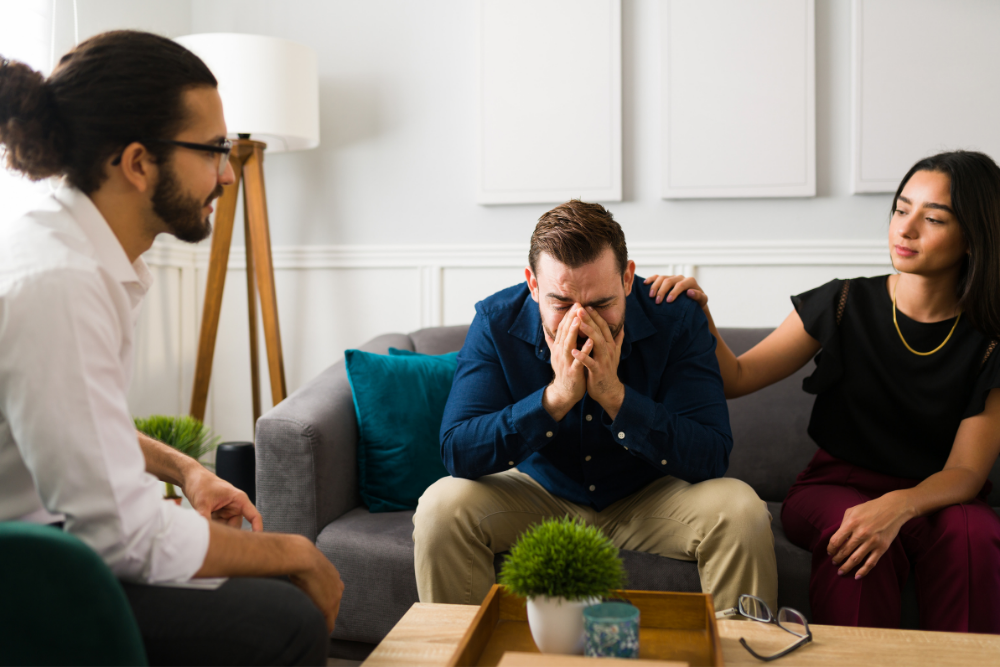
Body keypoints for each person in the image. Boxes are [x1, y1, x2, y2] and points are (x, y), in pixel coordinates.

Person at [0, 31, 342, 665]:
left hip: (54, 540)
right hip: (25, 571)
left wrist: (184, 468)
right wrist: (295, 551)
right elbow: (122, 533)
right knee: (286, 618)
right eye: (213, 150)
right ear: (136, 163)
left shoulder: (74, 255)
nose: (225, 174)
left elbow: (76, 428)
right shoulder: (61, 282)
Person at [645, 150, 1000, 633]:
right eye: (901, 209)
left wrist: (897, 506)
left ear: (974, 238)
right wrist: (699, 315)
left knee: (974, 533)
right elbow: (737, 376)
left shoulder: (989, 341)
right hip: (838, 486)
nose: (906, 228)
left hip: (935, 497)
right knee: (852, 534)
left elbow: (965, 471)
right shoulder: (842, 302)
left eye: (932, 217)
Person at [412, 200, 777, 611]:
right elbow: (457, 449)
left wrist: (617, 398)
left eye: (601, 304)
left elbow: (711, 455)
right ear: (533, 285)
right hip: (541, 494)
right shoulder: (496, 321)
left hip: (649, 496)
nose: (582, 321)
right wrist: (555, 399)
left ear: (626, 277)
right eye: (562, 304)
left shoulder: (676, 318)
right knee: (441, 507)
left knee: (742, 510)